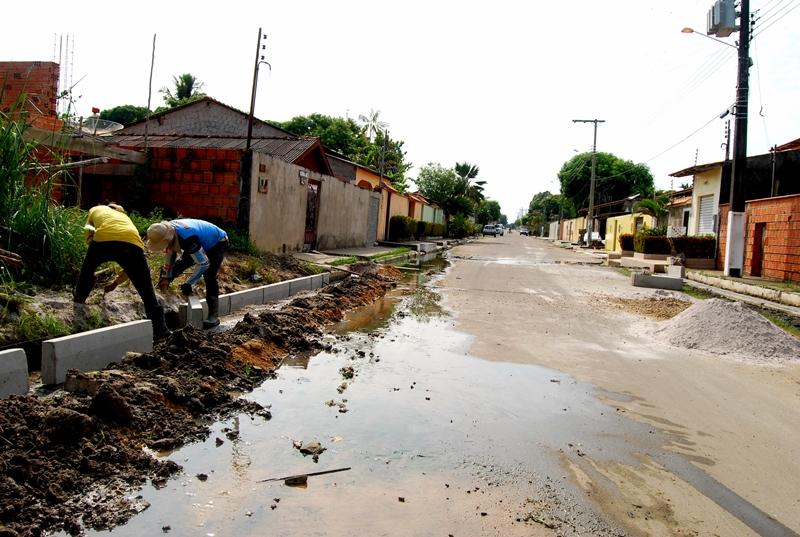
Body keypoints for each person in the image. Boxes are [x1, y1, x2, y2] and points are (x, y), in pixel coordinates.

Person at [73, 203, 171, 339]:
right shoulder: (125, 218)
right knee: (146, 290)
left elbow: (88, 231)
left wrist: (93, 253)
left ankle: (80, 297)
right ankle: (161, 331)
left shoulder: (95, 209)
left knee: (87, 270)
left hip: (103, 239)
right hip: (134, 245)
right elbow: (131, 270)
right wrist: (116, 283)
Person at [146, 219, 229, 329]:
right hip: (198, 240)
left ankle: (213, 316)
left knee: (209, 276)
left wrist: (189, 283)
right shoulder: (165, 230)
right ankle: (167, 282)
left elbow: (204, 264)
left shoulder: (187, 239)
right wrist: (166, 276)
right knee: (183, 262)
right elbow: (170, 255)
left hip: (217, 242)